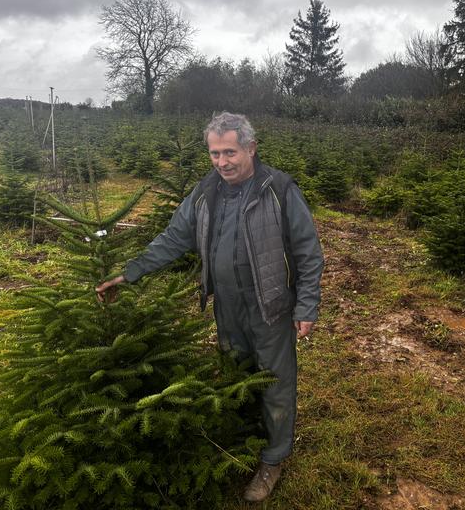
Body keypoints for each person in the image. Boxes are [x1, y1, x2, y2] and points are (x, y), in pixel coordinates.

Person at [96, 112, 324, 503]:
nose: (222, 162)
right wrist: (129, 273)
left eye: (230, 152)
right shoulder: (206, 193)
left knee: (275, 381)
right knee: (235, 370)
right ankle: (241, 437)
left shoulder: (279, 189)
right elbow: (172, 239)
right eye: (215, 153)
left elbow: (308, 251)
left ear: (251, 148)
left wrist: (306, 306)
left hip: (270, 304)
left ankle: (273, 458)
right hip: (227, 304)